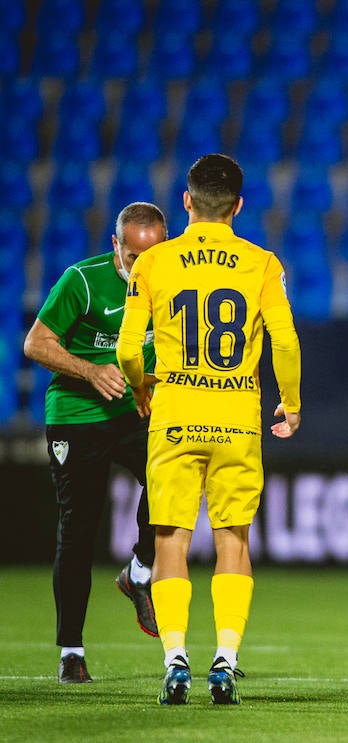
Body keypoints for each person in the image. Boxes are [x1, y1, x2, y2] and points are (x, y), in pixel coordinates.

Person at [116, 154, 302, 705]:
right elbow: (285, 342)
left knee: (171, 536)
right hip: (236, 414)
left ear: (186, 201)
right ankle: (225, 659)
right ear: (239, 206)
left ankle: (175, 659)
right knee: (233, 537)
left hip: (174, 409)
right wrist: (290, 404)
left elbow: (129, 348)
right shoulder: (261, 263)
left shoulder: (155, 261)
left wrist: (141, 388)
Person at [24, 202, 167, 683]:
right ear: (115, 246)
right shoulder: (81, 281)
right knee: (78, 529)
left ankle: (140, 571)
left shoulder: (169, 282)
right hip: (77, 415)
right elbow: (36, 343)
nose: (141, 266)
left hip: (135, 410)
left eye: (153, 255)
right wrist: (90, 370)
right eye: (133, 256)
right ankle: (71, 650)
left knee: (170, 480)